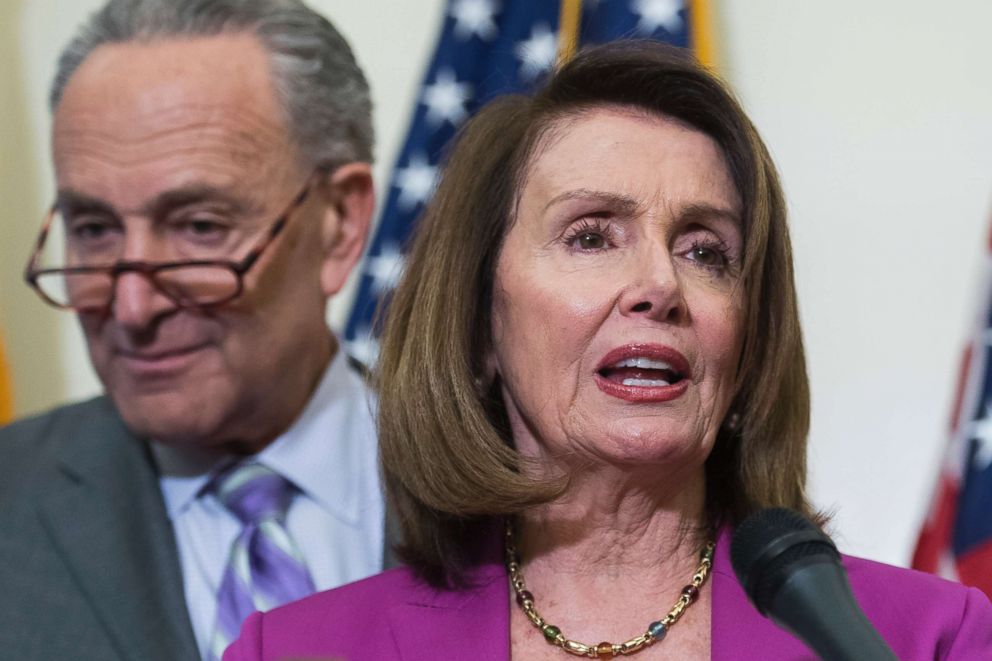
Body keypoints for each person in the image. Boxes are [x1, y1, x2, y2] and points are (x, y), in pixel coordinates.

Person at [224, 41, 992, 660]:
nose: (660, 284)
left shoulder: (930, 638)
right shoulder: (295, 648)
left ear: (750, 343)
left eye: (706, 251)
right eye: (591, 236)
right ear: (480, 323)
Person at [0, 1, 390, 660]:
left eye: (200, 227)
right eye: (93, 230)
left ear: (340, 224)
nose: (130, 307)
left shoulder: (530, 493)